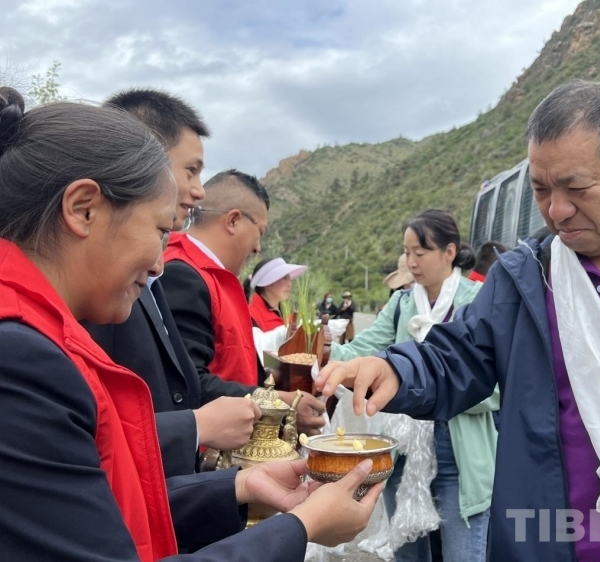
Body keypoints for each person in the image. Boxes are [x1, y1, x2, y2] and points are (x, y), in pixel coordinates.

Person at [318, 81, 600, 561]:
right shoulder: (525, 276)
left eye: (577, 188)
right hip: (547, 539)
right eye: (541, 190)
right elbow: (458, 355)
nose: (556, 211)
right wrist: (397, 370)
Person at [0, 87, 380, 561]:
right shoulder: (20, 358)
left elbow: (107, 504)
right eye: (160, 231)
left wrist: (241, 486)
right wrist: (302, 527)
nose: (161, 263)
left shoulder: (42, 334)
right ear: (84, 209)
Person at [82, 89, 261, 478]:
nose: (200, 190)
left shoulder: (149, 277)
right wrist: (196, 427)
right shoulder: (97, 286)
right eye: (191, 170)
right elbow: (92, 432)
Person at [328, 209, 498, 562]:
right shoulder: (401, 303)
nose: (411, 262)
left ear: (449, 252)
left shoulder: (478, 299)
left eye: (420, 252)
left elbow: (495, 384)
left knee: (463, 555)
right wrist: (326, 352)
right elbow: (362, 350)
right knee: (408, 555)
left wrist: (438, 390)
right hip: (403, 449)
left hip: (459, 454)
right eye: (407, 253)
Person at [160, 169, 325, 433]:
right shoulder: (183, 276)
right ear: (233, 220)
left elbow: (234, 357)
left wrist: (276, 374)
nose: (258, 247)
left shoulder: (216, 278)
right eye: (260, 232)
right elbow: (187, 383)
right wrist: (280, 405)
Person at [248, 256, 307, 331]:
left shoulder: (287, 316)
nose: (290, 284)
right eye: (284, 278)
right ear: (268, 283)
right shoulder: (251, 317)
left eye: (289, 279)